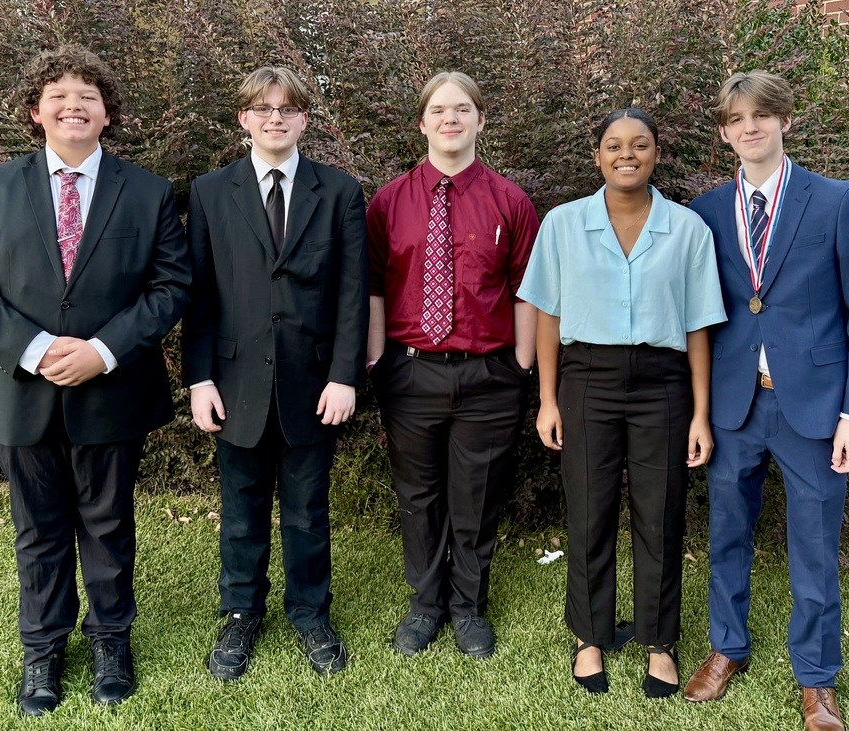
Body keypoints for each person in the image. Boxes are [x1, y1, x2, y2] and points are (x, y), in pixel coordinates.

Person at [0, 45, 191, 715]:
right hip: (19, 391)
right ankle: (43, 648)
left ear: (108, 114)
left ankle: (111, 639)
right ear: (36, 112)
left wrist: (104, 350)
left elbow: (172, 287)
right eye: (58, 93)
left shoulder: (147, 191)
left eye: (88, 94)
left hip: (112, 388)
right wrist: (39, 348)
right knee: (38, 528)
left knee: (108, 524)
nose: (73, 103)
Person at [681, 71, 849, 731]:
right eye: (738, 118)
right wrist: (697, 409)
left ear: (785, 122)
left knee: (815, 545)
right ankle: (727, 647)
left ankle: (818, 678)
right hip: (734, 406)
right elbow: (699, 319)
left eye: (763, 115)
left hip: (815, 408)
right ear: (723, 131)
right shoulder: (708, 212)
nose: (751, 127)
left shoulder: (837, 201)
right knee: (726, 534)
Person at [517, 108, 726, 697]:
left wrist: (701, 414)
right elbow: (548, 316)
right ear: (597, 155)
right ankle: (590, 635)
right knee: (589, 510)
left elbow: (698, 329)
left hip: (663, 383)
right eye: (613, 145)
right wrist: (548, 399)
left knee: (660, 516)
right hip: (587, 380)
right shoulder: (562, 223)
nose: (626, 154)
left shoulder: (687, 230)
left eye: (639, 145)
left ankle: (660, 643)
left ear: (657, 154)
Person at [182, 66, 368, 679]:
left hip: (313, 384)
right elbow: (200, 295)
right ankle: (239, 616)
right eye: (262, 108)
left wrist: (345, 375)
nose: (275, 118)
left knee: (309, 511)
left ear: (304, 119)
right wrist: (199, 378)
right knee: (240, 511)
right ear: (244, 119)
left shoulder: (338, 192)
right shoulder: (210, 192)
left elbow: (350, 292)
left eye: (287, 108)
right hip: (234, 384)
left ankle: (311, 612)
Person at [366, 71, 539, 659]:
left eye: (462, 109)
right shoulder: (389, 201)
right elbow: (373, 288)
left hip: (488, 375)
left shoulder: (510, 201)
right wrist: (376, 360)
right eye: (438, 110)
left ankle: (468, 607)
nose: (450, 119)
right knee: (418, 496)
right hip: (410, 371)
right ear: (422, 122)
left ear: (480, 119)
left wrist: (519, 366)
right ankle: (425, 605)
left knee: (477, 494)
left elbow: (527, 291)